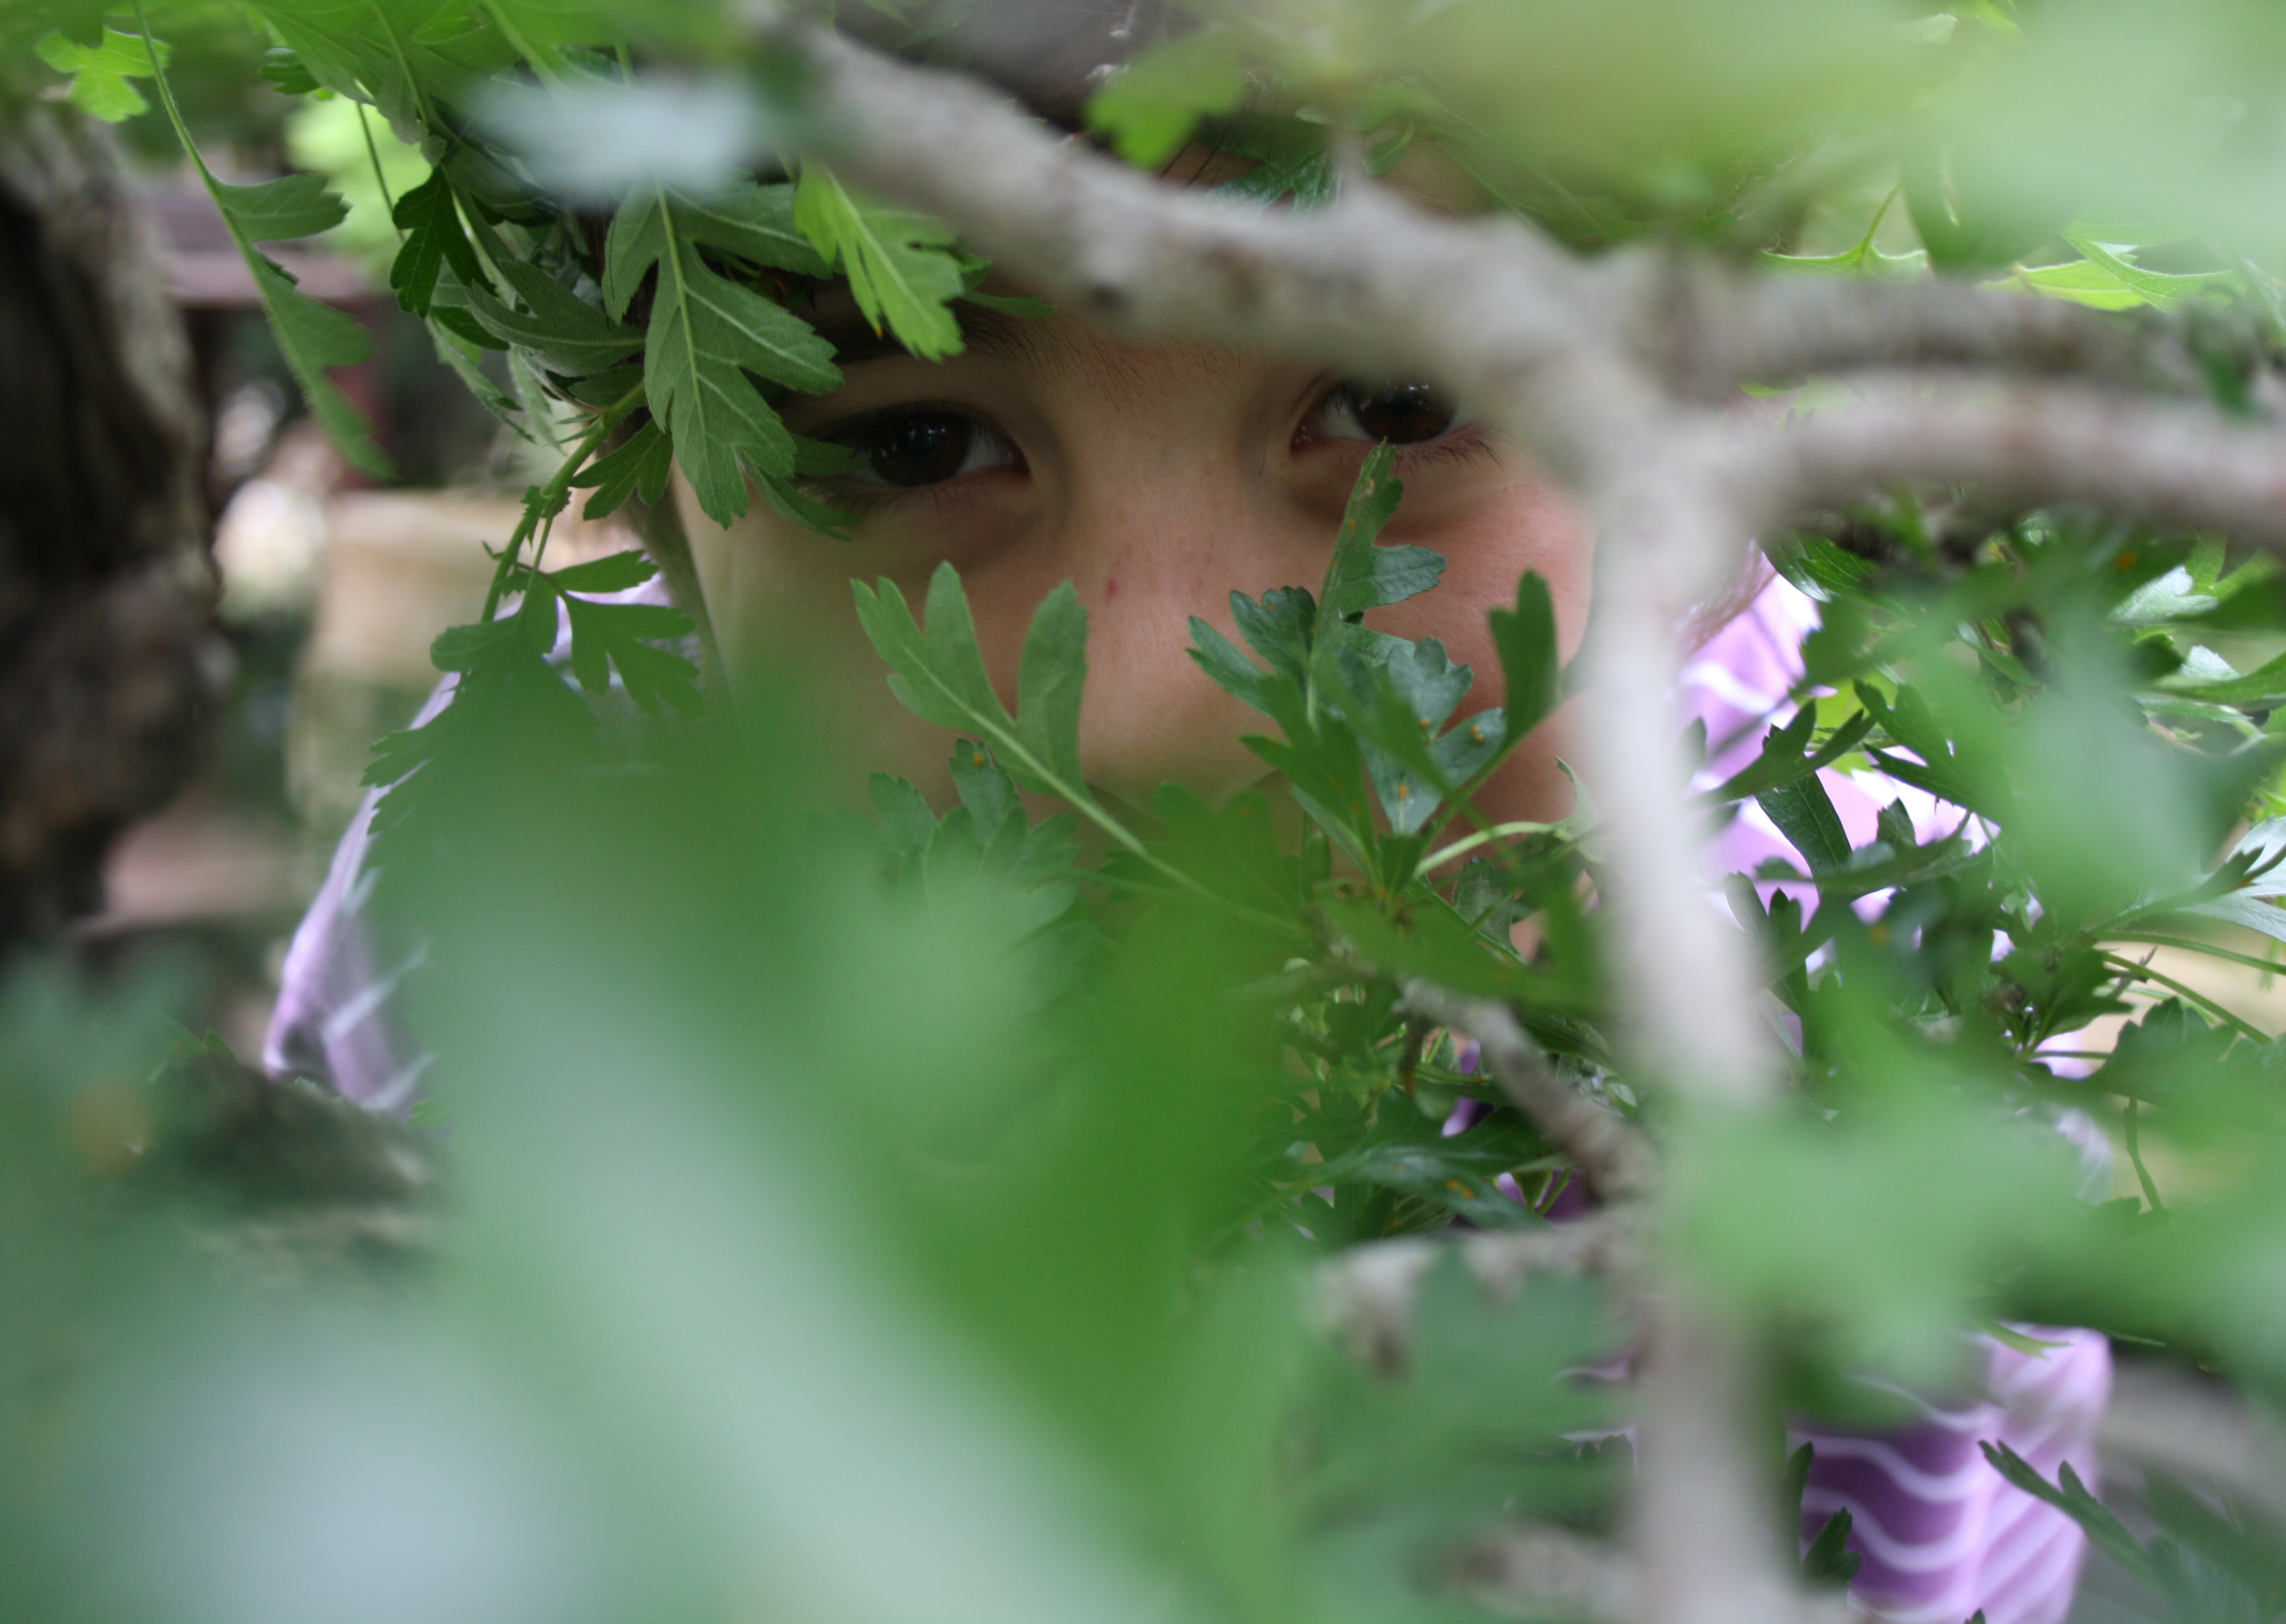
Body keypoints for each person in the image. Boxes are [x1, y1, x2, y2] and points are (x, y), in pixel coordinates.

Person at [266, 128, 2109, 1624]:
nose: (1151, 712)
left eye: (1393, 409)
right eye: (917, 441)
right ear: (659, 509)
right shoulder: (527, 898)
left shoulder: (1884, 1027)